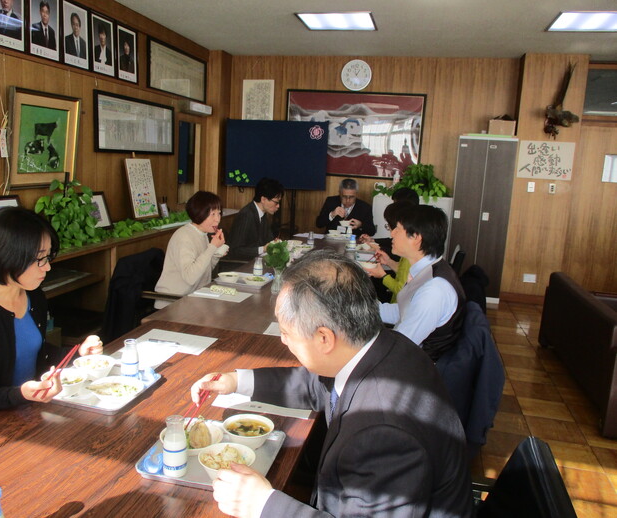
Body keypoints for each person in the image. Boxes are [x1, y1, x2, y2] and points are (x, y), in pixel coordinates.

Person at [191, 250, 472, 518]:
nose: (283, 340)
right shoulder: (384, 344)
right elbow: (317, 384)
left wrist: (263, 505)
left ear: (324, 338)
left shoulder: (383, 433)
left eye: (286, 332)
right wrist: (235, 381)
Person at [0, 207, 103, 422]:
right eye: (39, 259)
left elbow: (37, 353)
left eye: (48, 257)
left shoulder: (33, 296)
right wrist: (19, 394)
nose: (47, 267)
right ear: (8, 256)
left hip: (31, 411)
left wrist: (79, 354)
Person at [379, 204, 466, 361]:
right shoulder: (427, 270)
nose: (392, 234)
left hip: (419, 370)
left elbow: (403, 343)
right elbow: (403, 311)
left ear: (416, 237)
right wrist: (358, 309)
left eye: (397, 229)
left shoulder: (434, 289)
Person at [153, 191, 228, 299]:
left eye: (219, 213)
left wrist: (216, 254)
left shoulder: (202, 234)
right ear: (199, 213)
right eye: (213, 214)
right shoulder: (184, 236)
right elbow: (190, 277)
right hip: (173, 302)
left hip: (195, 297)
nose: (217, 219)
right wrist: (212, 248)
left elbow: (204, 271)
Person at [362, 200, 417, 302]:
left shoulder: (411, 256)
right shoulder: (409, 253)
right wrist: (388, 261)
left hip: (397, 307)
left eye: (391, 227)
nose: (391, 234)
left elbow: (401, 290)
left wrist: (383, 275)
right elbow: (402, 272)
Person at [227, 177, 284, 261]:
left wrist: (275, 243)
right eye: (276, 202)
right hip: (241, 266)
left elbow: (269, 240)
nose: (278, 206)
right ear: (263, 199)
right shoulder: (246, 214)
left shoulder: (262, 214)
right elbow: (235, 250)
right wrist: (263, 249)